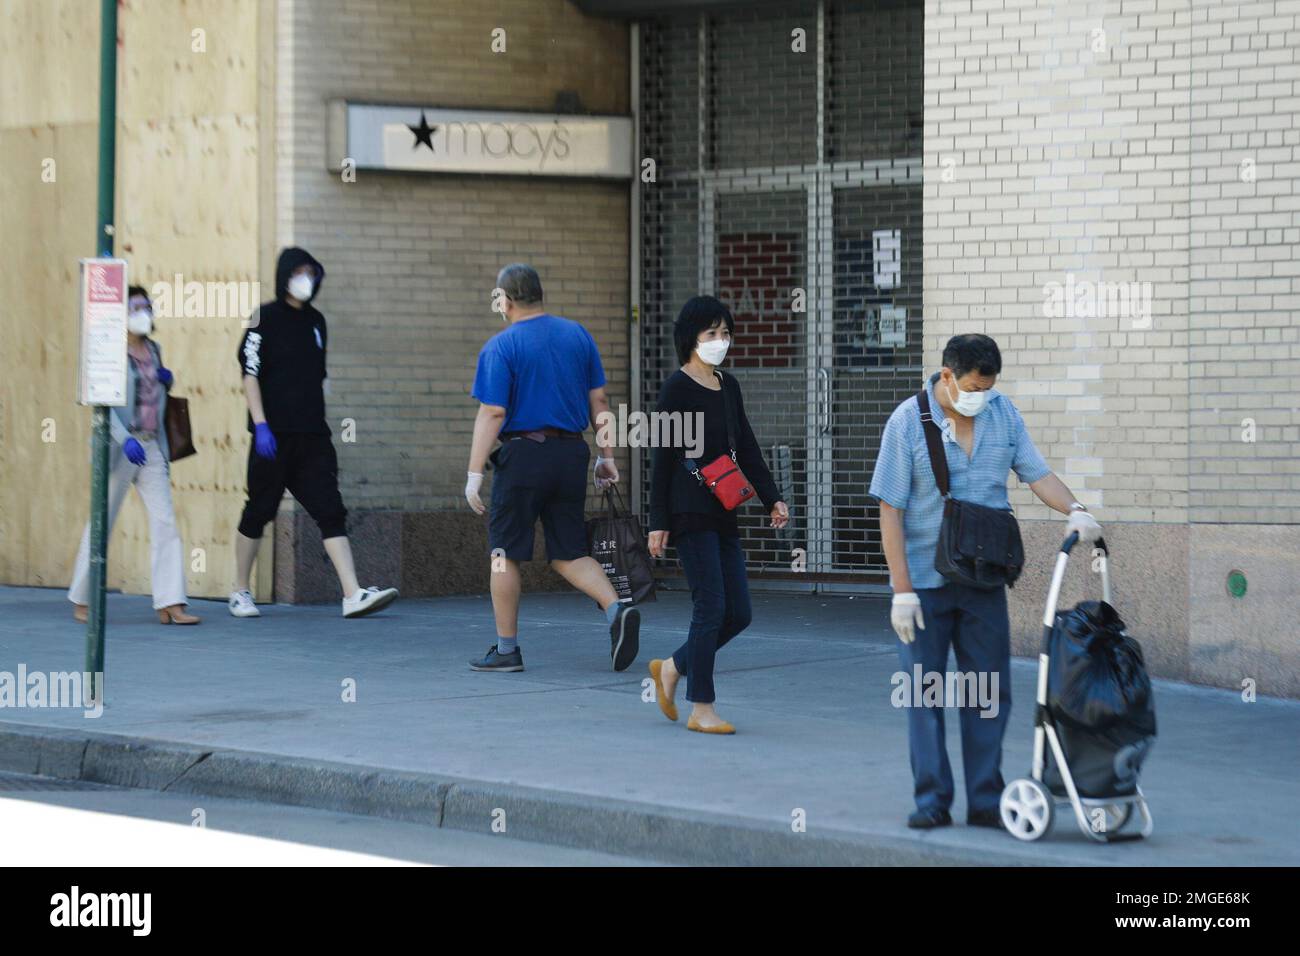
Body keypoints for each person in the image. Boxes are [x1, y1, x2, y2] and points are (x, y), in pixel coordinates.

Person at [869, 333, 1103, 830]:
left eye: (990, 387)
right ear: (947, 376)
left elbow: (1036, 473)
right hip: (924, 586)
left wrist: (1077, 510)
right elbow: (890, 508)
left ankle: (984, 799)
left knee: (988, 692)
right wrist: (901, 590)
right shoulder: (908, 422)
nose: (982, 396)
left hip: (983, 581)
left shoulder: (1003, 413)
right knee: (924, 693)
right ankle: (932, 799)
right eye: (974, 386)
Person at [465, 263, 639, 673]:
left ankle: (507, 650)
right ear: (540, 295)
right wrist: (607, 456)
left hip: (523, 454)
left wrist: (474, 473)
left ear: (504, 300)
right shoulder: (577, 336)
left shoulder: (501, 346)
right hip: (570, 454)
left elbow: (492, 412)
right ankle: (616, 609)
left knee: (503, 554)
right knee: (569, 550)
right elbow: (599, 402)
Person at [646, 296, 789, 734]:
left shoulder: (728, 386)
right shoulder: (676, 388)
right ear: (691, 338)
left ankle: (671, 667)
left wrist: (772, 498)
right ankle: (701, 707)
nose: (720, 341)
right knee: (710, 606)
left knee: (738, 612)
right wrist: (657, 522)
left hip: (724, 505)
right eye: (711, 334)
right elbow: (663, 458)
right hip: (689, 509)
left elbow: (745, 445)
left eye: (725, 333)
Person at [229, 247, 398, 619]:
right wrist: (260, 425)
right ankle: (239, 590)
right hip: (272, 437)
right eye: (300, 272)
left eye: (312, 273)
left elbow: (317, 376)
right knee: (259, 509)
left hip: (312, 436)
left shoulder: (317, 322)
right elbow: (250, 373)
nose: (307, 280)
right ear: (286, 275)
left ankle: (352, 593)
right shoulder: (264, 318)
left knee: (330, 509)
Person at [68, 285, 199, 625]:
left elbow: (150, 395)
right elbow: (102, 404)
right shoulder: (109, 350)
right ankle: (82, 599)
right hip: (121, 447)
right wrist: (124, 439)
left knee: (165, 521)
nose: (144, 313)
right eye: (136, 307)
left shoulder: (154, 349)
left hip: (151, 445)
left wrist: (166, 383)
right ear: (121, 314)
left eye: (147, 307)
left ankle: (171, 603)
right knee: (102, 522)